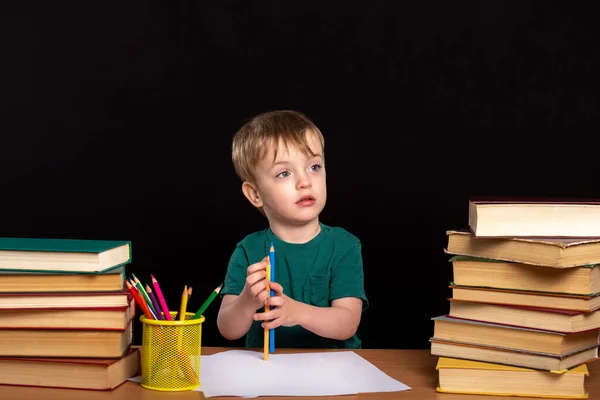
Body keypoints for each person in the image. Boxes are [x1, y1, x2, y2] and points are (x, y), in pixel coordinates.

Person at [216, 110, 368, 349]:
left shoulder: (344, 245)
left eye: (314, 167)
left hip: (334, 374)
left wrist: (296, 312)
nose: (305, 182)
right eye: (284, 173)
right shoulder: (249, 250)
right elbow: (227, 329)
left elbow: (347, 323)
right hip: (269, 373)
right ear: (255, 194)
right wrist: (247, 300)